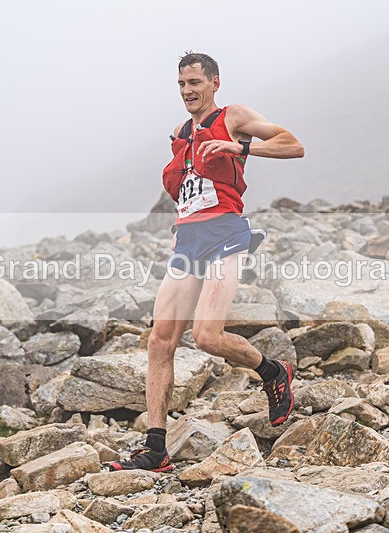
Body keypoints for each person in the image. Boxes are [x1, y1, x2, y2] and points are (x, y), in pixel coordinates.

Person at [109, 52, 305, 472]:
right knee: (160, 341)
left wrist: (239, 146)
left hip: (226, 235)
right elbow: (189, 187)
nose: (187, 91)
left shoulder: (233, 116)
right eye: (181, 84)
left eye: (195, 82)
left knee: (207, 336)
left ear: (215, 83)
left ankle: (273, 372)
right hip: (188, 240)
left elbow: (294, 145)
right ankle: (156, 449)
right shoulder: (180, 132)